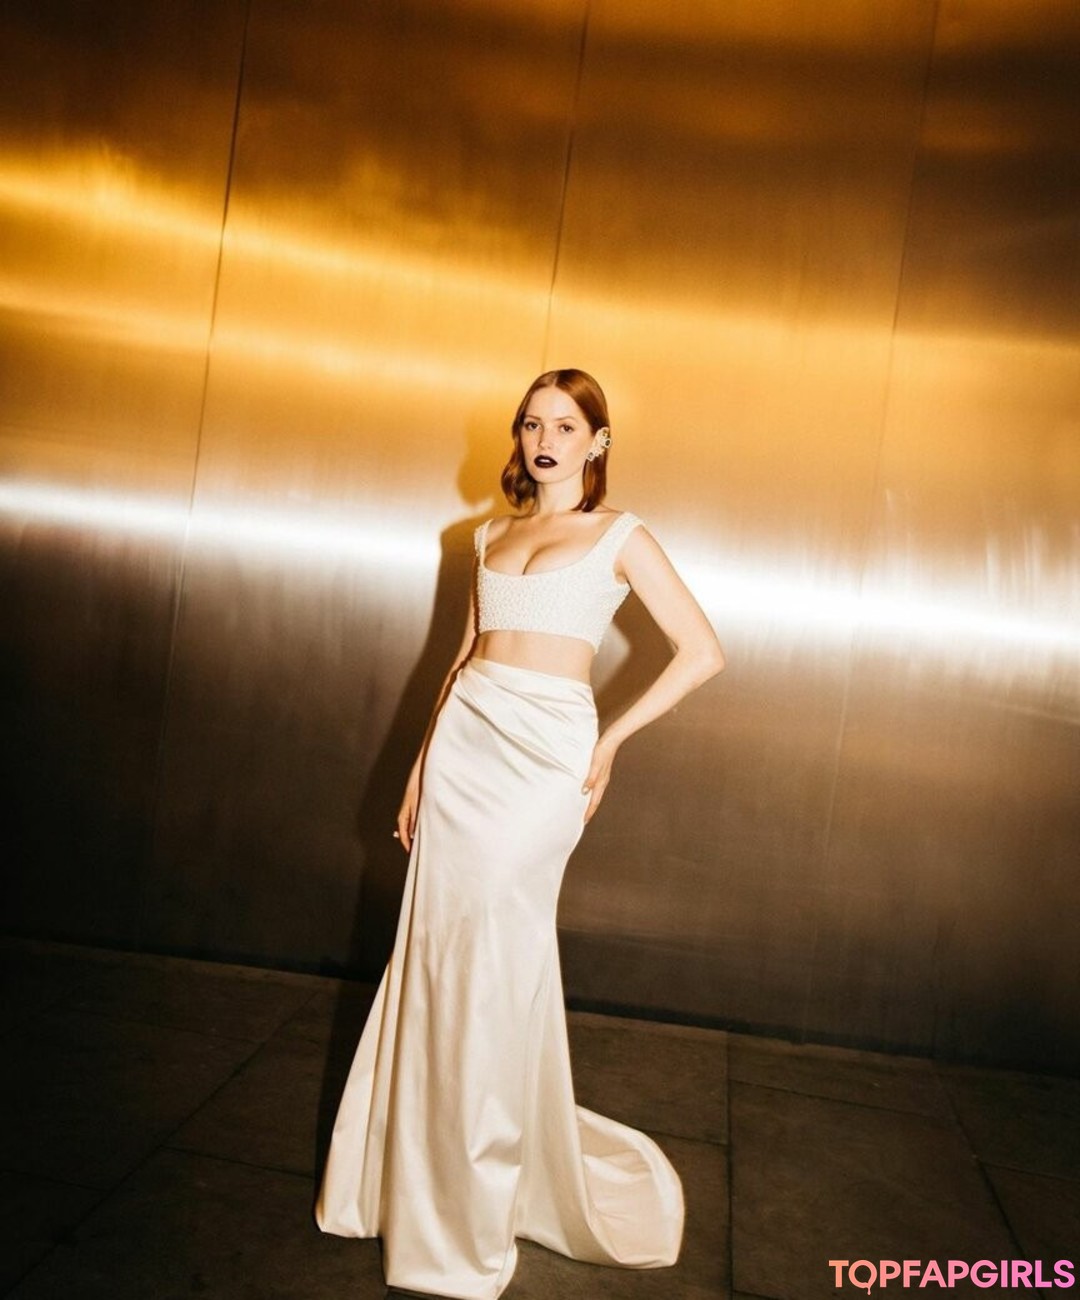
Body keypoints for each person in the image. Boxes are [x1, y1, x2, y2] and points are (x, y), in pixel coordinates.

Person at [316, 369, 725, 1299]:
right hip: (464, 746)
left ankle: (474, 1197)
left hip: (547, 758)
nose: (546, 440)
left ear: (598, 442)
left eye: (566, 426)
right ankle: (408, 1174)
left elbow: (703, 651)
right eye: (533, 424)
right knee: (437, 954)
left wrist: (609, 741)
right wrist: (420, 765)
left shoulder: (621, 535)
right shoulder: (487, 536)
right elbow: (464, 656)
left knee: (497, 964)